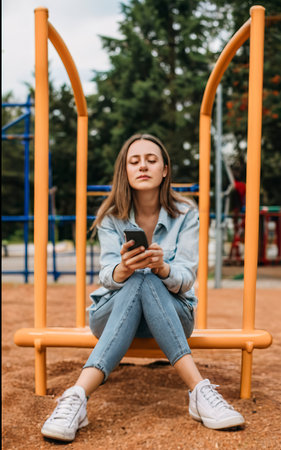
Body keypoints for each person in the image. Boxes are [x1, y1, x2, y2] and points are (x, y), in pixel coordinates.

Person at [41, 134, 245, 442]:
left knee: (149, 277)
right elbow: (106, 276)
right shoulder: (111, 217)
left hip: (174, 315)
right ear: (125, 171)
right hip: (111, 316)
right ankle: (198, 390)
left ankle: (78, 395)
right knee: (138, 276)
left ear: (165, 169)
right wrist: (124, 268)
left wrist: (163, 268)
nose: (143, 166)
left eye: (151, 160)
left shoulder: (186, 212)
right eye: (134, 161)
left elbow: (187, 276)